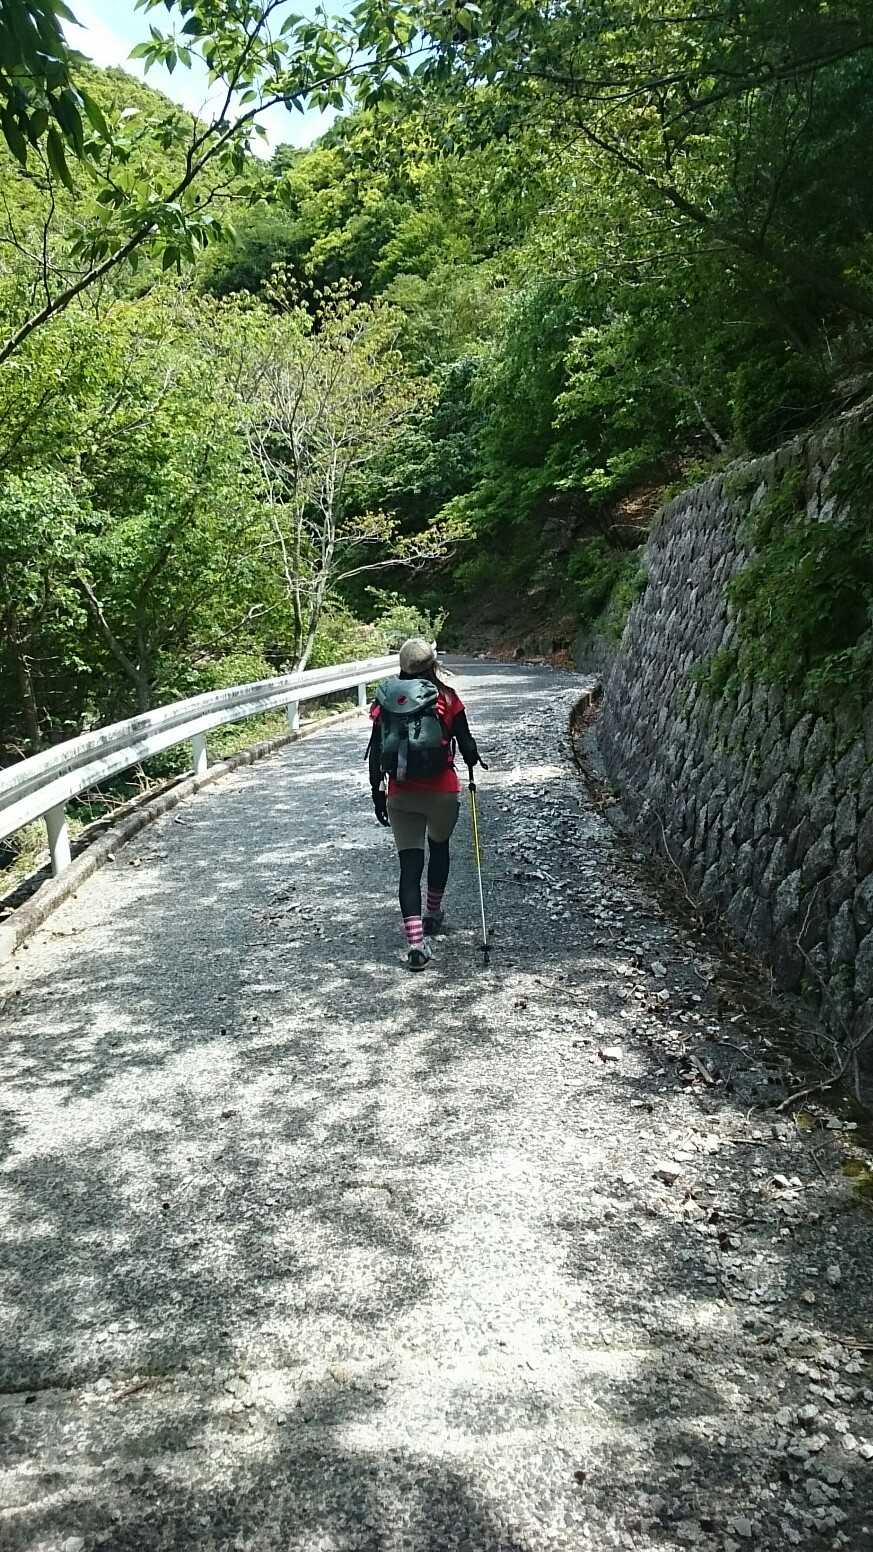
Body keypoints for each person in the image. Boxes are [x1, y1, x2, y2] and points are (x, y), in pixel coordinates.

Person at [368, 638, 482, 970]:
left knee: (409, 866)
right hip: (442, 792)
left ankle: (416, 944)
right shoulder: (447, 697)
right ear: (433, 664)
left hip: (401, 794)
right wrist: (472, 759)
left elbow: (376, 751)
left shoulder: (387, 701)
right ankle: (433, 913)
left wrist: (377, 792)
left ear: (402, 666)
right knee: (440, 847)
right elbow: (468, 745)